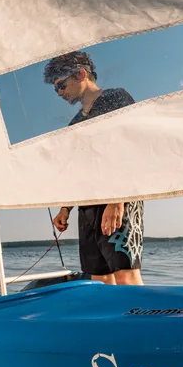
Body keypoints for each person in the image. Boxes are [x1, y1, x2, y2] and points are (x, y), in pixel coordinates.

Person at [44, 51, 144, 286]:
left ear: (80, 74)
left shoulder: (117, 98)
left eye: (61, 85)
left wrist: (118, 199)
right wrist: (65, 208)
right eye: (55, 89)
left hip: (120, 197)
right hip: (87, 205)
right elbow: (78, 169)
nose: (59, 93)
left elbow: (134, 147)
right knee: (99, 277)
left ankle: (139, 312)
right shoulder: (75, 123)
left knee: (125, 273)